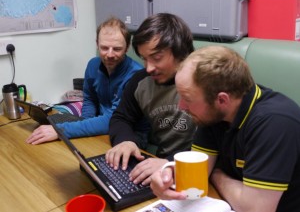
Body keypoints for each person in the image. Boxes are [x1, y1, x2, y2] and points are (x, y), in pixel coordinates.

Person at [150, 45, 300, 212]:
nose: (181, 106)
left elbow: (256, 209)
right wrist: (167, 174)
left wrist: (217, 174)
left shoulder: (275, 123)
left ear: (222, 100)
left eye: (187, 98)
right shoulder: (213, 114)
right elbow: (200, 170)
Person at [105, 13, 197, 186]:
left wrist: (171, 163)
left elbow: (221, 142)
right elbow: (121, 117)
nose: (149, 68)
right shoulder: (140, 82)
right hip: (159, 168)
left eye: (156, 58)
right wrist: (125, 140)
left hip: (200, 169)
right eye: (144, 59)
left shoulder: (207, 81)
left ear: (181, 52)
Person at [26, 17, 143, 145]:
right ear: (97, 44)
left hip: (129, 136)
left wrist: (61, 130)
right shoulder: (93, 65)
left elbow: (114, 119)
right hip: (101, 129)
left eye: (117, 49)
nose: (109, 54)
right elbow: (90, 99)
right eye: (104, 48)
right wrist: (83, 125)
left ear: (127, 47)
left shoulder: (136, 75)